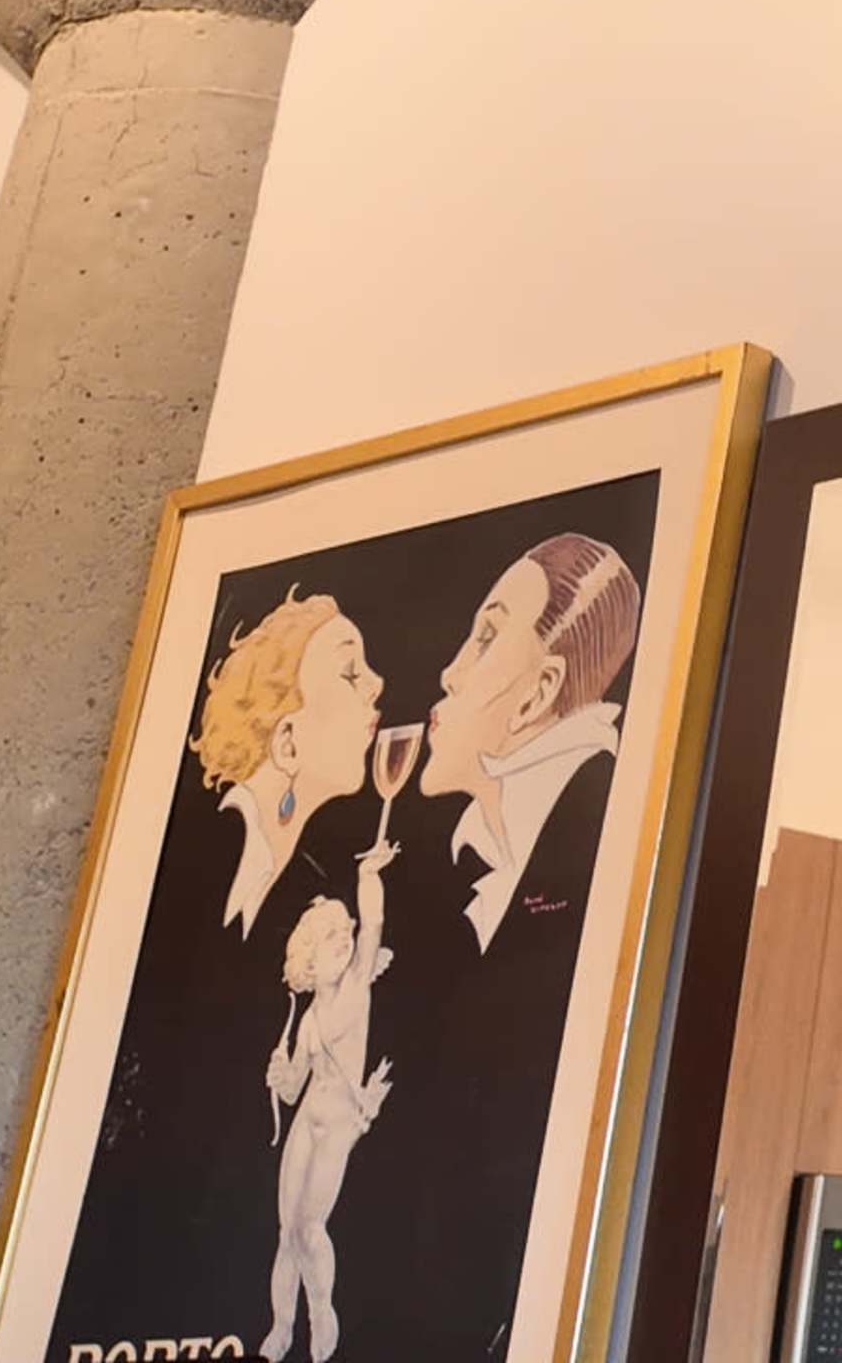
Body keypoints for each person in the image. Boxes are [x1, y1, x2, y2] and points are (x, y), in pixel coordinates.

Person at [420, 533, 642, 950]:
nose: (449, 675)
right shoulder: (485, 855)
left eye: (486, 638)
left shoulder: (591, 855)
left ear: (538, 693)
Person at [264, 840, 396, 1361]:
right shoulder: (308, 1021)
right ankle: (281, 1327)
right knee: (286, 1233)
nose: (345, 940)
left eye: (345, 933)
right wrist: (281, 1074)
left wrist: (369, 875)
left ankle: (321, 1310)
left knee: (311, 1227)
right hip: (307, 1120)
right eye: (331, 937)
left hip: (339, 1121)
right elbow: (293, 1088)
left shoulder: (358, 987)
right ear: (309, 961)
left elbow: (374, 922)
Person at [189, 593, 386, 936]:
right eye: (351, 673)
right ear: (287, 743)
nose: (377, 685)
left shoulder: (307, 878)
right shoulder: (205, 851)